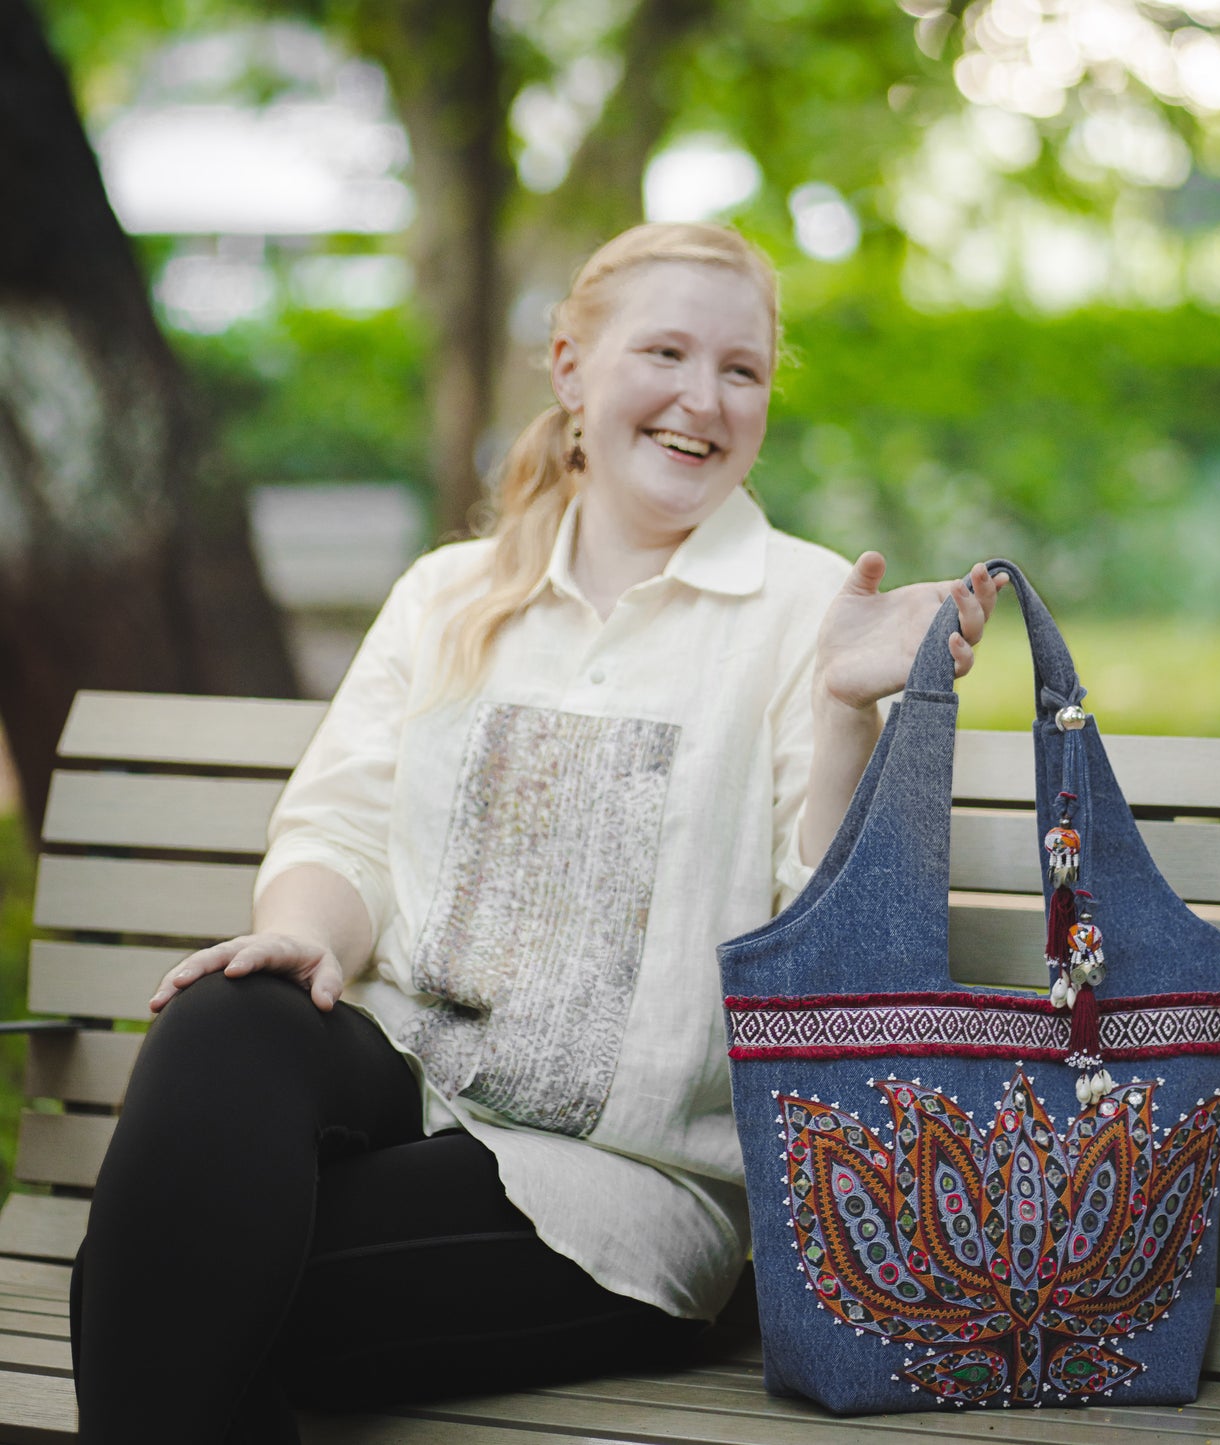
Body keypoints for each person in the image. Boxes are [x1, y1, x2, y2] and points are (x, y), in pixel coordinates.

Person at [69, 222, 1005, 1443]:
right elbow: (340, 827)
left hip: (622, 1183)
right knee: (226, 1016)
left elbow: (840, 970)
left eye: (740, 370)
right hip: (409, 1082)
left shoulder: (806, 608)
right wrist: (307, 932)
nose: (702, 398)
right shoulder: (446, 593)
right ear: (570, 366)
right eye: (664, 352)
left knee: (170, 1285)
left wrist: (844, 711)